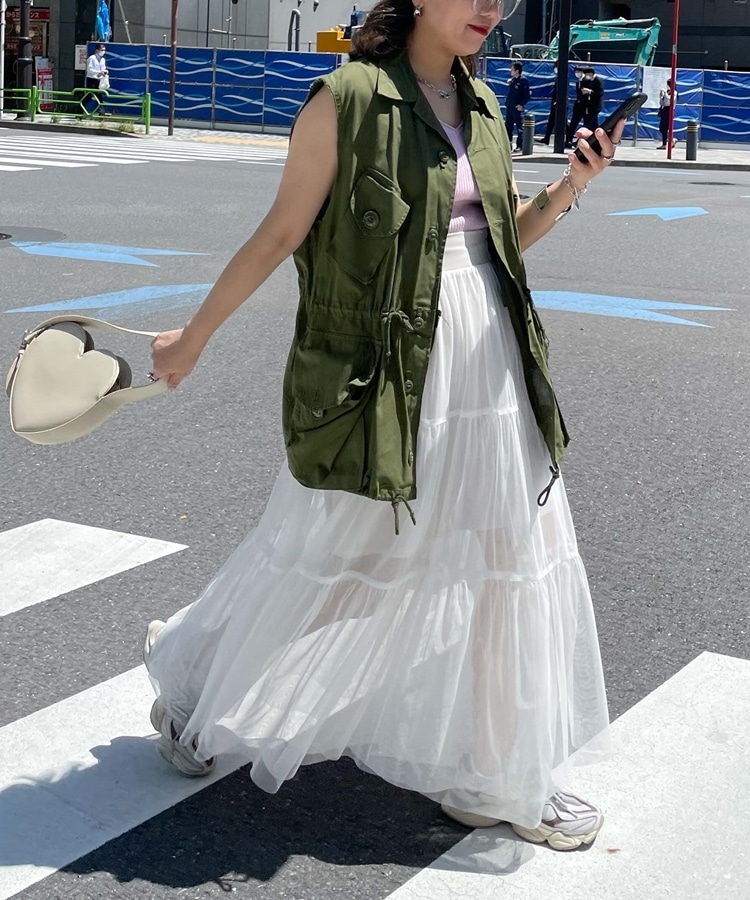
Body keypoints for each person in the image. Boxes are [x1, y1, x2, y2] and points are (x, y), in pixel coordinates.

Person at [146, 0, 623, 853]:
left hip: (488, 366)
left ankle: (495, 774)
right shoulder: (349, 99)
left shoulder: (482, 103)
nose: (491, 8)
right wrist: (195, 336)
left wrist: (572, 186)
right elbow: (282, 232)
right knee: (351, 560)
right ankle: (193, 680)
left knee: (507, 559)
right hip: (396, 371)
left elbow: (501, 243)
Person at [566, 65, 603, 148]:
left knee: (588, 124)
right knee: (592, 125)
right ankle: (569, 140)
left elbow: (599, 93)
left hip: (592, 107)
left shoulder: (596, 80)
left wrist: (589, 92)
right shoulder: (580, 81)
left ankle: (580, 141)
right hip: (582, 105)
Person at [504, 61, 530, 153]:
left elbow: (526, 95)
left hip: (517, 107)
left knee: (520, 127)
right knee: (508, 126)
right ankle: (508, 144)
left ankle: (520, 145)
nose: (511, 71)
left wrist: (521, 104)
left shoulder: (523, 81)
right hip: (510, 106)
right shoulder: (513, 80)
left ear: (517, 71)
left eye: (512, 69)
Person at [536, 63, 557, 145]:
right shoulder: (558, 77)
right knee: (551, 121)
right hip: (555, 103)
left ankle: (568, 139)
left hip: (559, 103)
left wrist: (559, 101)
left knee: (563, 123)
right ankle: (546, 138)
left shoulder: (563, 77)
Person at [658, 78, 677, 149]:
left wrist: (665, 93)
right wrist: (661, 96)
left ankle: (665, 143)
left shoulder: (674, 92)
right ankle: (671, 140)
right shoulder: (667, 91)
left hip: (670, 110)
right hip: (664, 109)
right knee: (662, 128)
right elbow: (662, 102)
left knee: (666, 128)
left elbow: (670, 100)